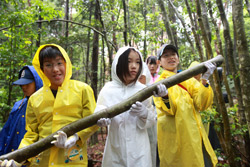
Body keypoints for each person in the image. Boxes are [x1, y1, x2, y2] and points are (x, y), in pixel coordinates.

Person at [0, 44, 98, 167]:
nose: (55, 69)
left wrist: (76, 136)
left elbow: (92, 121)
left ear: (66, 64)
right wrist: (19, 159)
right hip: (41, 162)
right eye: (48, 65)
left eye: (59, 63)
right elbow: (31, 134)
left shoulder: (83, 90)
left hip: (71, 160)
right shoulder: (35, 98)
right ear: (42, 69)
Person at [95, 46, 167, 167]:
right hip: (115, 148)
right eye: (129, 61)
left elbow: (152, 119)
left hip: (139, 149)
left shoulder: (143, 90)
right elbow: (99, 110)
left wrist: (144, 113)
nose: (134, 66)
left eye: (137, 62)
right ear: (119, 63)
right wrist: (101, 118)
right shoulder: (108, 89)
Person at [153, 44, 218, 167]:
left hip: (194, 134)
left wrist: (204, 80)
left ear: (178, 58)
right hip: (175, 136)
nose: (171, 58)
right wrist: (165, 96)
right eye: (166, 55)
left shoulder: (188, 79)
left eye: (173, 54)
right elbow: (170, 110)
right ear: (159, 62)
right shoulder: (159, 84)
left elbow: (202, 104)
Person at [0, 66, 43, 157]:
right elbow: (6, 132)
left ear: (37, 82)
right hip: (10, 158)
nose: (24, 87)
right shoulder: (18, 105)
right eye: (22, 85)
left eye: (27, 84)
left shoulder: (44, 106)